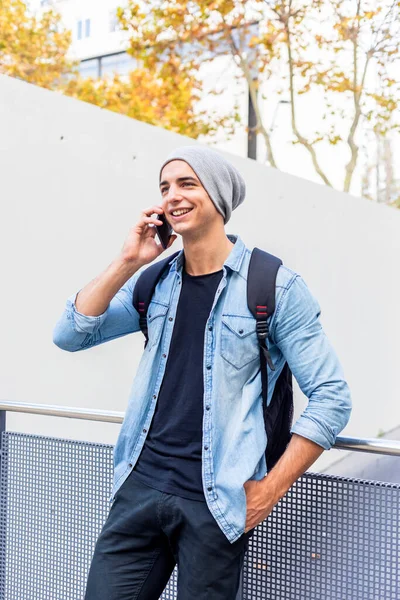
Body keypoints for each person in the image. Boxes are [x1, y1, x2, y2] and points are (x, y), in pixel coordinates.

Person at [53, 145, 352, 600]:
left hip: (215, 502)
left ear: (218, 195)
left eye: (186, 183)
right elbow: (71, 334)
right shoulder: (156, 280)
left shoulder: (273, 286)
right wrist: (129, 260)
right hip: (139, 487)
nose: (172, 196)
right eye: (164, 187)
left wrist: (270, 489)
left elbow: (331, 397)